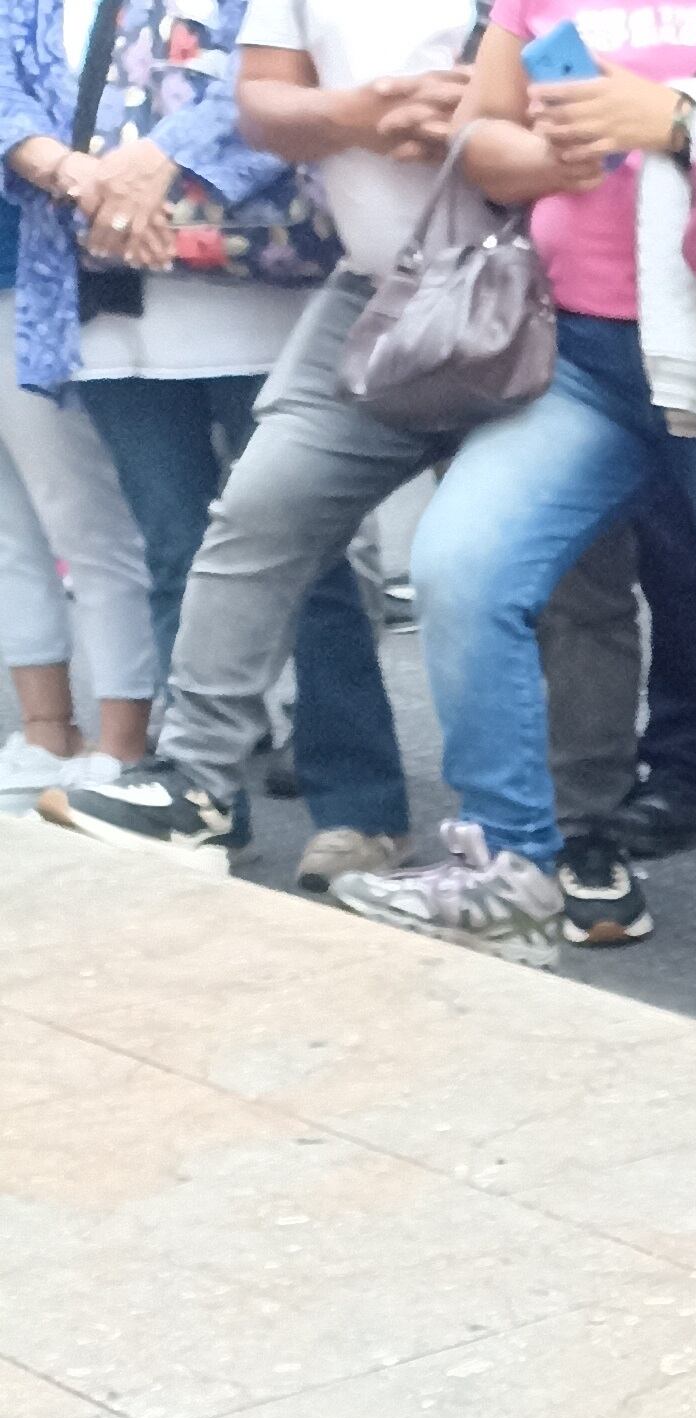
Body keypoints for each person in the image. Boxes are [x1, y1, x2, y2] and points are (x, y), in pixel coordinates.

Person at [327, 0, 696, 1014]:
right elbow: (481, 136)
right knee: (460, 569)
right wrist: (554, 157)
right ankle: (508, 870)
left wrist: (676, 120)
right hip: (582, 353)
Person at [31, 0, 467, 873]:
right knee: (176, 554)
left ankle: (362, 811)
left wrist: (160, 161)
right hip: (108, 292)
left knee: (311, 557)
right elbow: (18, 89)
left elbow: (266, 87)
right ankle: (202, 801)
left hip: (270, 284)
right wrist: (84, 178)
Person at [0, 191, 155, 807]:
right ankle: (47, 731)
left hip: (32, 278)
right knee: (9, 531)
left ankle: (125, 745)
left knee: (85, 519)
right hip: (27, 271)